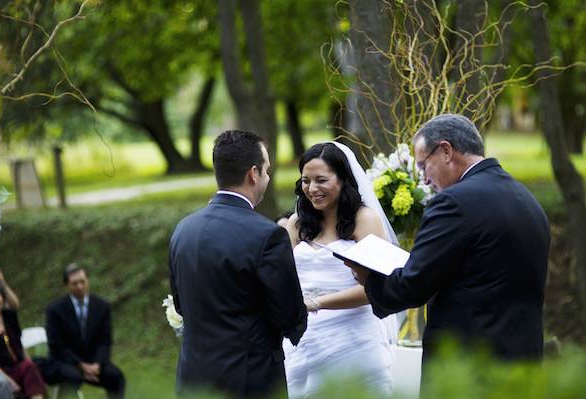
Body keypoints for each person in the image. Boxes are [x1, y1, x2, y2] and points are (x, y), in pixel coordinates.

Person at [350, 114, 550, 371]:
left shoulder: (453, 203)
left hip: (469, 365)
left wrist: (368, 277)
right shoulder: (526, 199)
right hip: (525, 359)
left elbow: (412, 286)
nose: (423, 180)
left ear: (446, 151)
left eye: (423, 166)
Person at [169, 130, 308, 398]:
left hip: (192, 379)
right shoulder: (268, 235)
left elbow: (180, 306)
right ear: (253, 173)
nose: (267, 177)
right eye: (267, 170)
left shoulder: (183, 230)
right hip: (249, 380)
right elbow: (289, 316)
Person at [283, 142, 401, 398]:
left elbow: (375, 288)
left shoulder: (364, 219)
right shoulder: (296, 223)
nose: (312, 189)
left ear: (343, 179)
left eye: (321, 180)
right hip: (305, 339)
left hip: (355, 337)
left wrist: (316, 303)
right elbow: (283, 279)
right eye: (306, 181)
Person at [43, 264, 125, 398]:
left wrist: (97, 364)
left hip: (93, 361)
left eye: (82, 282)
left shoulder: (102, 306)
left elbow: (105, 340)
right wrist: (80, 365)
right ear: (67, 286)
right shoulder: (55, 310)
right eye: (74, 283)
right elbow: (56, 345)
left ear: (88, 281)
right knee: (72, 377)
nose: (80, 287)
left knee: (116, 377)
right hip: (64, 361)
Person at [0, 281, 46, 399]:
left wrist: (1, 280)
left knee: (31, 368)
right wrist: (7, 380)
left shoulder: (9, 316)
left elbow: (20, 345)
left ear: (3, 298)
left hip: (19, 367)